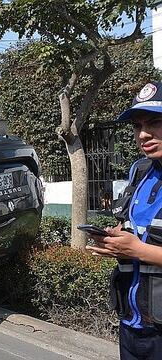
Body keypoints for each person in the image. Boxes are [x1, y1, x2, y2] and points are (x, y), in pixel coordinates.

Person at [87, 81, 162, 359]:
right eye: (137, 126)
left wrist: (137, 250)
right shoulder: (140, 171)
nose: (143, 134)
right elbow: (137, 230)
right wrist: (114, 240)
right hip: (133, 323)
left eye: (154, 122)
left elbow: (141, 247)